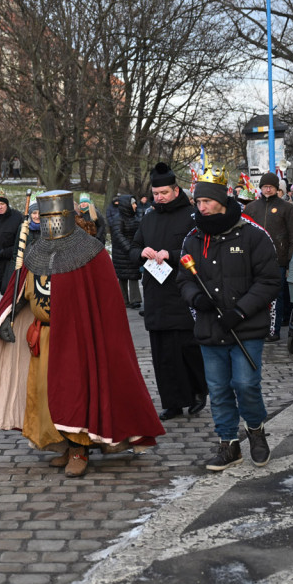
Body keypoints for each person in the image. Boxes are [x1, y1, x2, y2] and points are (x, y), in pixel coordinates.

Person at [0, 190, 165, 478]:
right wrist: (10, 315)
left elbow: (105, 306)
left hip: (79, 339)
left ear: (68, 217)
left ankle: (80, 448)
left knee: (74, 392)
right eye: (46, 218)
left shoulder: (91, 253)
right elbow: (23, 290)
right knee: (43, 395)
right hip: (42, 336)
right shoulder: (35, 251)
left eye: (56, 217)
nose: (51, 223)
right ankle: (62, 444)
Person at [178, 166, 281, 471]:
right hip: (210, 328)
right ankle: (228, 444)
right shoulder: (193, 238)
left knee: (246, 383)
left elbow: (269, 280)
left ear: (221, 200)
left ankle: (255, 430)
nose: (201, 207)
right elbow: (183, 280)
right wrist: (195, 298)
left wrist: (240, 310)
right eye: (197, 203)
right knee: (219, 389)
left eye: (206, 202)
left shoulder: (253, 234)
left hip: (245, 327)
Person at [131, 163, 208, 421]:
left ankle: (198, 391)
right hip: (155, 293)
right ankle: (172, 401)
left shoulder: (192, 216)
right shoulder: (149, 217)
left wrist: (172, 255)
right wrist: (141, 253)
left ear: (176, 190)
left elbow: (200, 251)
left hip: (182, 292)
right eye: (156, 194)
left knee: (188, 348)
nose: (159, 197)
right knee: (163, 353)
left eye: (164, 193)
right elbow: (134, 248)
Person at [243, 171, 293, 342]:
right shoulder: (252, 207)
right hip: (255, 259)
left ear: (277, 188)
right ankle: (257, 327)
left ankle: (273, 330)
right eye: (265, 186)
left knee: (277, 296)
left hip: (279, 259)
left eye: (271, 187)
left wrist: (291, 259)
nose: (267, 190)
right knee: (255, 294)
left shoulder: (287, 208)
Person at [109, 194, 142, 309]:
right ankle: (123, 300)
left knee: (133, 275)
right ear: (126, 205)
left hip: (132, 250)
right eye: (133, 203)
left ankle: (135, 299)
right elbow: (118, 235)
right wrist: (130, 248)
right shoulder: (118, 219)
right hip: (121, 252)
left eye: (135, 203)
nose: (135, 205)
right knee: (123, 277)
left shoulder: (135, 217)